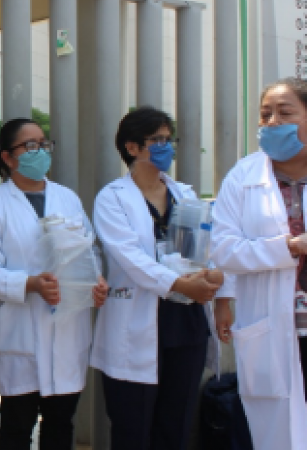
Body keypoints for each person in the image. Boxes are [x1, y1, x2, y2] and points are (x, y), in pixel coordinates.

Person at [90, 106, 229, 450]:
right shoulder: (112, 198)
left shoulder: (185, 194)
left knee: (176, 423)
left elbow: (206, 247)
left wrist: (211, 274)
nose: (167, 147)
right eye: (157, 140)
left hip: (185, 320)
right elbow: (129, 258)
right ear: (132, 147)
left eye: (169, 139)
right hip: (139, 319)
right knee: (132, 427)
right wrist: (181, 284)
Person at [212, 78, 307, 450]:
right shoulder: (243, 177)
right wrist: (291, 246)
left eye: (284, 114)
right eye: (265, 114)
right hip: (274, 328)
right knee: (280, 435)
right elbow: (223, 249)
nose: (271, 122)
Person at [0, 117, 109, 450]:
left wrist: (96, 280)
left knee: (61, 425)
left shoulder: (67, 198)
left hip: (67, 330)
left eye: (44, 144)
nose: (40, 151)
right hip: (21, 333)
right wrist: (29, 284)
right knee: (16, 427)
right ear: (7, 157)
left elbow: (89, 251)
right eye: (30, 145)